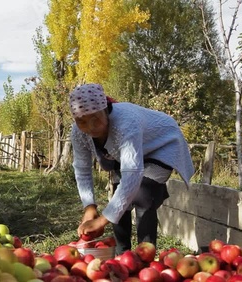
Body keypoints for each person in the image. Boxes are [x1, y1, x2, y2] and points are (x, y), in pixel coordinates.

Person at [69, 83, 195, 255]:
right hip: (129, 152)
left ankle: (146, 255)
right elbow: (82, 168)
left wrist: (102, 221)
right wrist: (89, 207)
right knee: (119, 199)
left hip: (162, 145)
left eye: (95, 119)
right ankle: (123, 255)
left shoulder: (125, 123)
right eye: (82, 121)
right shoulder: (78, 131)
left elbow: (132, 176)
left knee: (143, 195)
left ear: (105, 110)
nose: (90, 127)